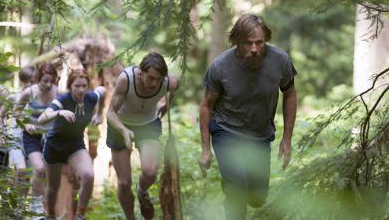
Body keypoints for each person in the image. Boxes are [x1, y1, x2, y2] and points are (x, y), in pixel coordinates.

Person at [198, 14, 297, 220]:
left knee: (257, 198)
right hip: (227, 131)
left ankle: (234, 183)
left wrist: (287, 139)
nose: (254, 49)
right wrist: (206, 148)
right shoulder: (220, 66)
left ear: (266, 40)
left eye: (259, 42)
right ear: (237, 42)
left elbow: (289, 94)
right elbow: (206, 105)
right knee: (237, 192)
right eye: (248, 43)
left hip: (259, 136)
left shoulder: (280, 60)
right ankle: (233, 185)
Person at [106, 52, 179, 220]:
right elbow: (110, 113)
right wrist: (124, 131)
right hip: (120, 125)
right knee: (124, 183)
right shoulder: (127, 79)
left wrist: (168, 101)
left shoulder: (167, 82)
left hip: (148, 125)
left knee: (150, 171)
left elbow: (177, 84)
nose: (154, 83)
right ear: (140, 72)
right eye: (151, 78)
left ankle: (142, 191)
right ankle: (130, 217)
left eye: (159, 79)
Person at [37, 69, 106, 220]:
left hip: (75, 145)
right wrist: (59, 113)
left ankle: (80, 216)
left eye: (84, 86)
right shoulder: (62, 100)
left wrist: (99, 113)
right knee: (53, 187)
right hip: (54, 146)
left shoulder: (91, 97)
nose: (81, 90)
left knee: (88, 175)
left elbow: (103, 90)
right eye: (77, 86)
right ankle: (50, 216)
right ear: (70, 86)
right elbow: (42, 118)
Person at [16, 64, 58, 217]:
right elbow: (16, 112)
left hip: (50, 137)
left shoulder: (57, 92)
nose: (48, 85)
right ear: (38, 79)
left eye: (51, 81)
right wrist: (26, 124)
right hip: (32, 136)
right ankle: (30, 205)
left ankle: (35, 208)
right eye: (44, 81)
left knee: (44, 173)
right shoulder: (29, 92)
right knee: (39, 168)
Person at [0, 66, 35, 194]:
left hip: (32, 141)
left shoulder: (37, 99)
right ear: (21, 81)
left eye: (33, 81)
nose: (30, 84)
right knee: (21, 169)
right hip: (15, 140)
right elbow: (1, 115)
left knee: (27, 175)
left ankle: (19, 208)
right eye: (28, 81)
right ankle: (13, 198)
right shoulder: (14, 96)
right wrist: (1, 134)